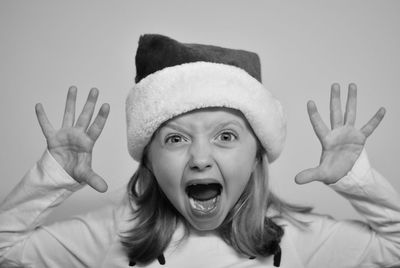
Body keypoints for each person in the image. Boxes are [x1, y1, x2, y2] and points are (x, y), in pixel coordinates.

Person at [0, 34, 399, 268]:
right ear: (149, 163)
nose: (200, 158)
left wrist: (357, 180)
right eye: (176, 139)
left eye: (226, 136)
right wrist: (52, 177)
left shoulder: (298, 239)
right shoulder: (112, 235)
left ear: (257, 154)